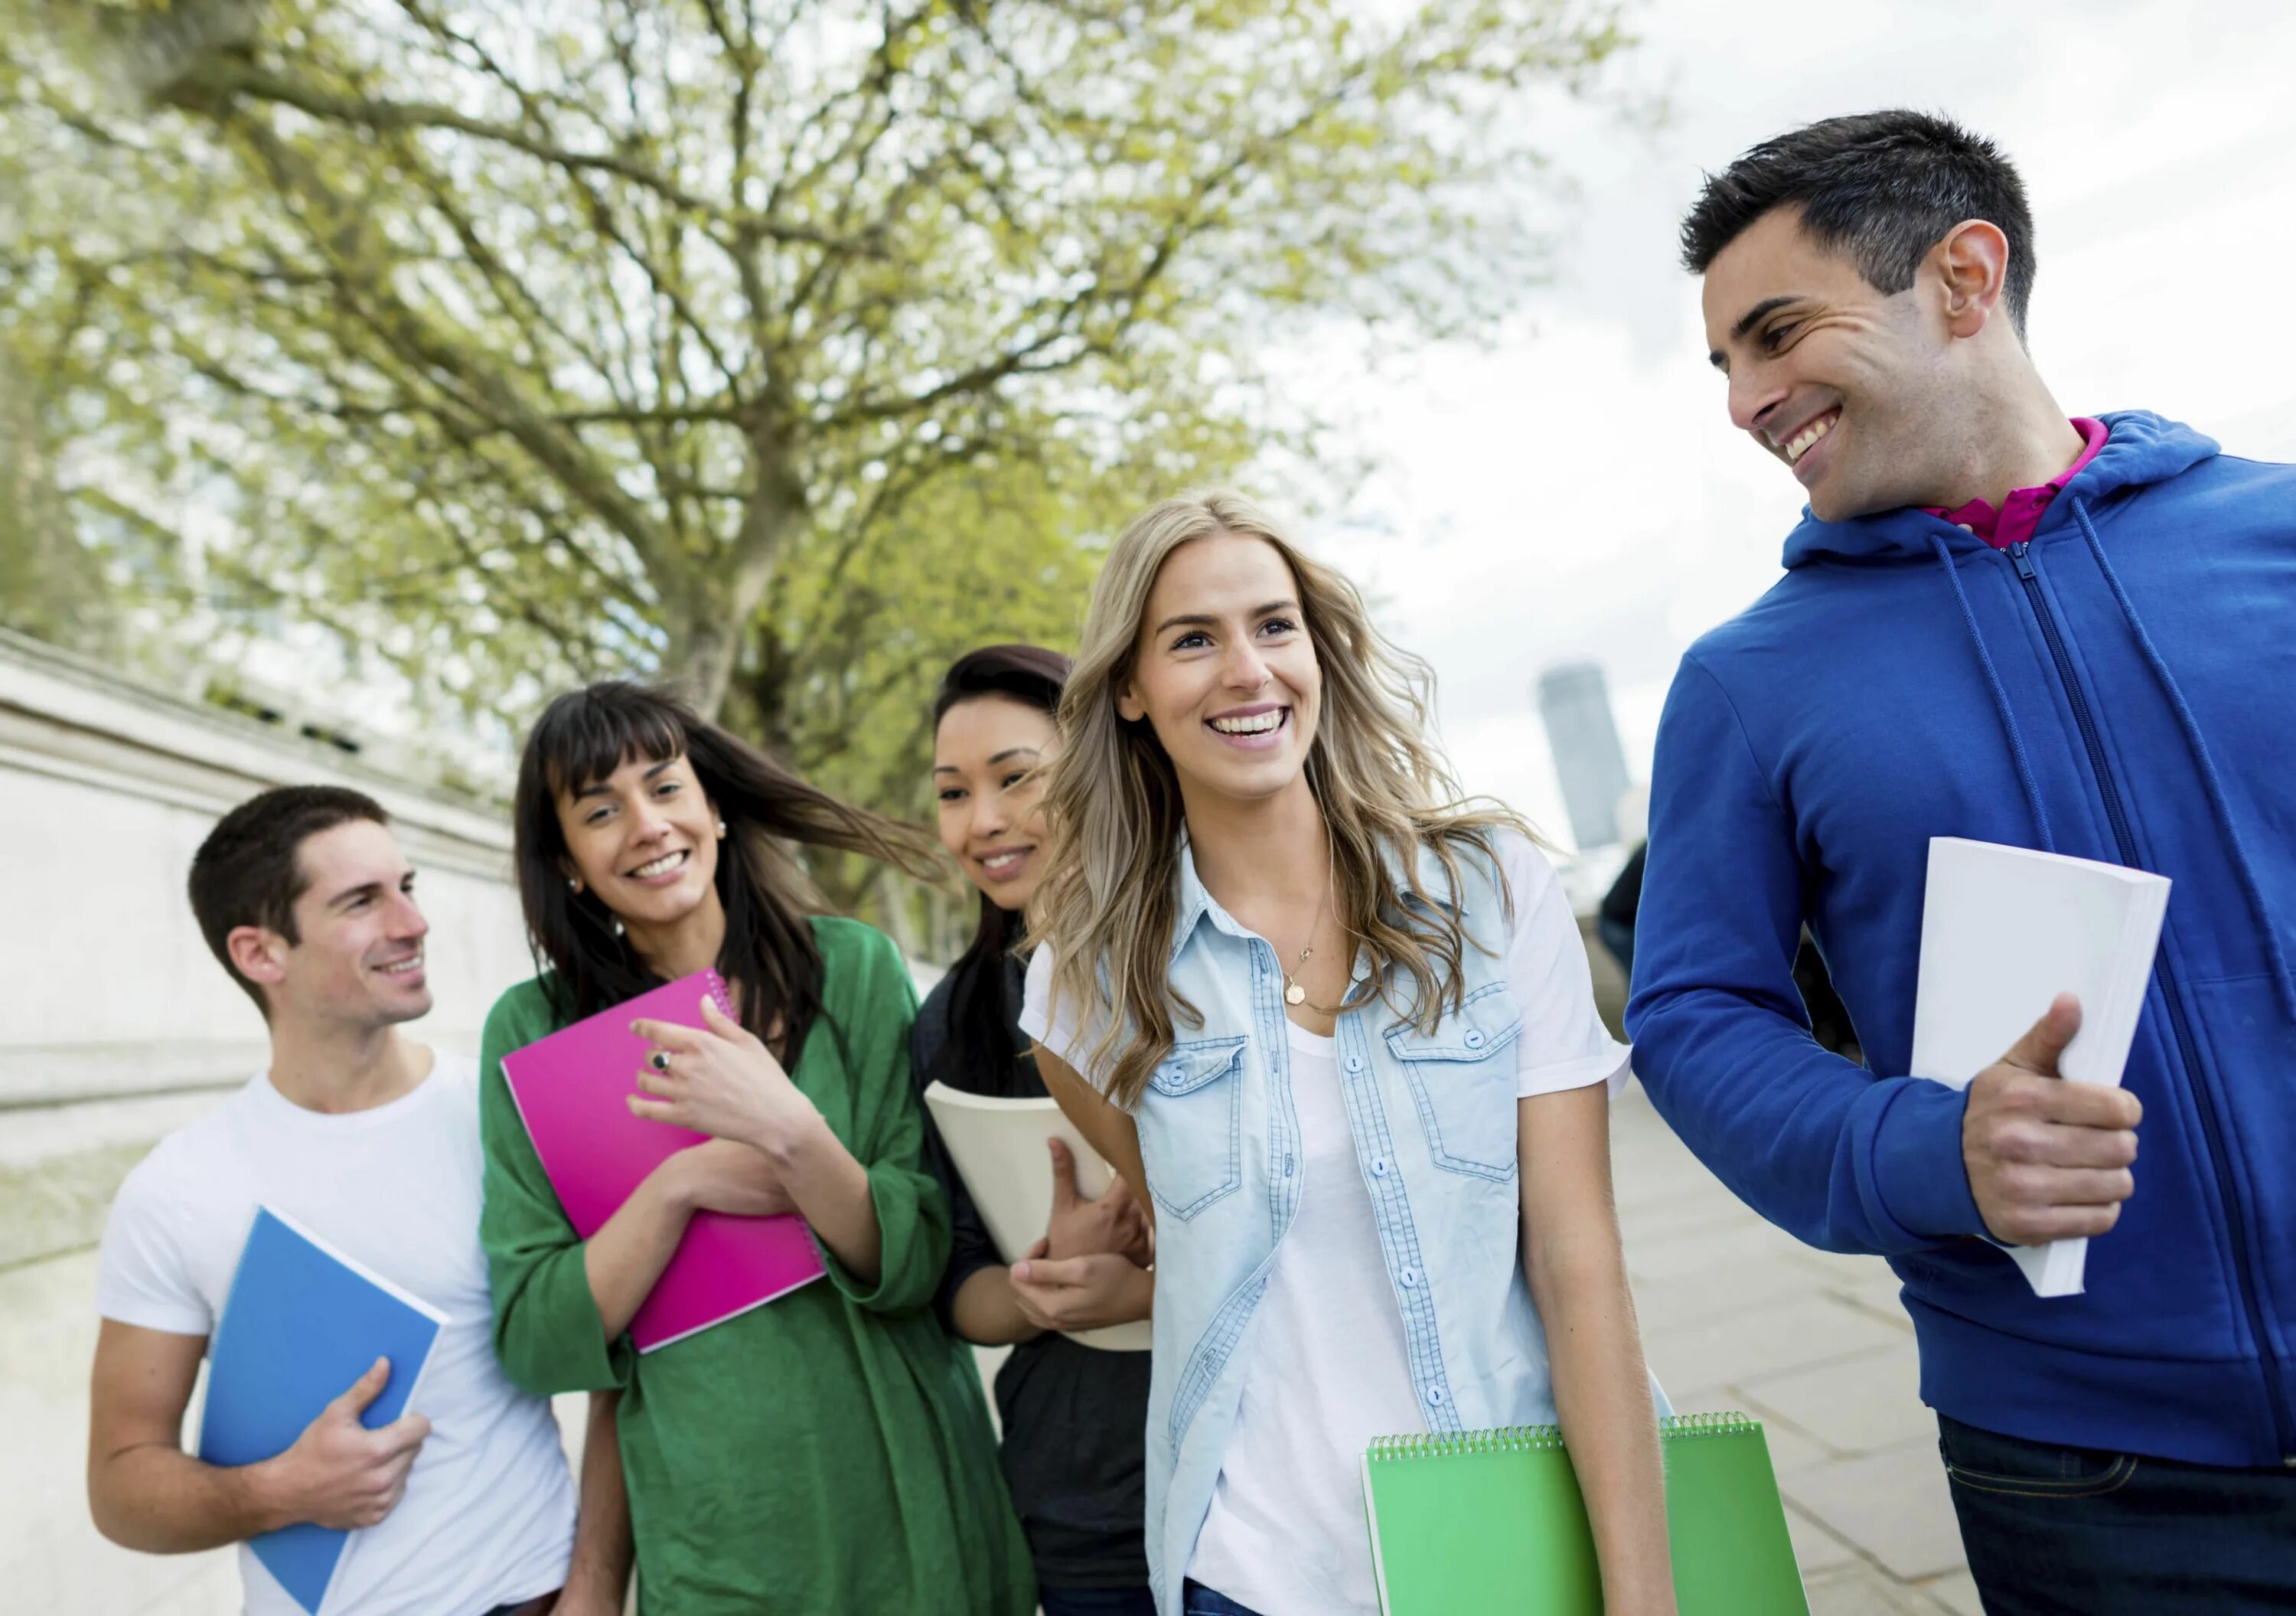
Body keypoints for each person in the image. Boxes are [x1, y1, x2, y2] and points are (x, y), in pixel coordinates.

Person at [1632, 109, 2296, 1611]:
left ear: (1963, 276)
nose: (1745, 399)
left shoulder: (2280, 535)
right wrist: (1925, 1148)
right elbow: (1691, 1017)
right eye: (1725, 364)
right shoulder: (1747, 684)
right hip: (2083, 1466)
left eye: (1777, 332)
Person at [1023, 492, 1675, 1616]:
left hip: (1513, 1534)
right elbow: (1216, 1250)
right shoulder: (1081, 981)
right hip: (1254, 1569)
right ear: (1129, 688)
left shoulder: (1491, 889)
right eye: (1192, 638)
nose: (1246, 669)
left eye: (1274, 626)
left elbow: (1580, 1263)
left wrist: (1642, 1593)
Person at [475, 680, 1036, 1616]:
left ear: (716, 809)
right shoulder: (535, 1034)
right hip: (722, 1525)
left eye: (665, 787)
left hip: (907, 1488)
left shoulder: (851, 967)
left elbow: (920, 1254)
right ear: (568, 861)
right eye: (600, 811)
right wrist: (679, 1186)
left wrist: (789, 1135)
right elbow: (539, 1338)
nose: (646, 826)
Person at [88, 785, 617, 1616]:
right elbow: (120, 1484)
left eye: (407, 885)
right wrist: (280, 1491)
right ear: (261, 952)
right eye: (363, 900)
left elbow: (621, 1367)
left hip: (535, 1597)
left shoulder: (504, 1114)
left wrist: (592, 1593)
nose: (413, 921)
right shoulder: (177, 1189)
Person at [913, 645, 1157, 1616]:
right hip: (1090, 1511)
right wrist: (1049, 1286)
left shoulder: (1218, 950)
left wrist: (1148, 1283)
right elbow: (959, 1288)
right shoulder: (956, 1019)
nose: (985, 822)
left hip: (1273, 1473)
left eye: (1018, 777)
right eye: (953, 792)